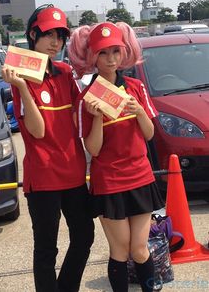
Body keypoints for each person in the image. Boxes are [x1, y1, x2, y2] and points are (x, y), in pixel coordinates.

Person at [1, 4, 94, 292]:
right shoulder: (18, 78)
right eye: (49, 35)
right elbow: (37, 130)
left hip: (75, 173)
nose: (56, 42)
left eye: (61, 36)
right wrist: (24, 87)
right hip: (43, 178)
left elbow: (84, 112)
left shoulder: (66, 73)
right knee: (46, 249)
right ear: (32, 34)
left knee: (84, 237)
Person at [68, 22, 165, 292]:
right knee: (120, 250)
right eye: (103, 53)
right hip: (109, 182)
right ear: (92, 57)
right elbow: (94, 150)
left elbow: (148, 136)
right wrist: (97, 117)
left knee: (140, 249)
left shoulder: (135, 87)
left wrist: (139, 112)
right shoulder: (86, 99)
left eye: (115, 51)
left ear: (124, 52)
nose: (111, 59)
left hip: (140, 177)